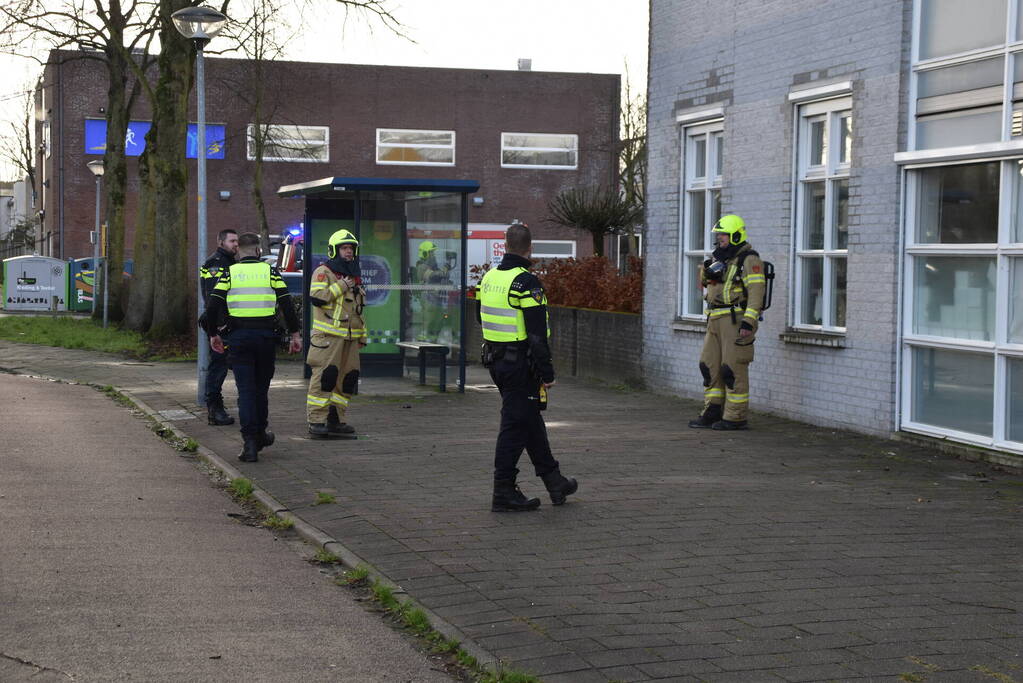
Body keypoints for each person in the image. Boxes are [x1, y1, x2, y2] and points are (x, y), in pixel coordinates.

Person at [477, 222, 577, 511]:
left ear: (505, 246)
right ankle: (503, 491)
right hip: (521, 364)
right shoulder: (526, 282)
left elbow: (479, 319)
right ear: (529, 248)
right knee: (514, 426)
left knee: (529, 419)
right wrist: (547, 374)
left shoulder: (488, 278)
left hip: (496, 361)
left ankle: (554, 481)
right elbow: (536, 335)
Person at [204, 233, 302, 462]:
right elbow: (287, 304)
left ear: (239, 251)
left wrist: (213, 334)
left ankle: (250, 442)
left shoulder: (229, 273)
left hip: (238, 340)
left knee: (245, 391)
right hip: (266, 339)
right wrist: (295, 334)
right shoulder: (270, 272)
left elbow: (212, 306)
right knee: (261, 389)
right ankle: (259, 433)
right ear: (258, 251)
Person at [688, 214, 766, 431]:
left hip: (735, 319)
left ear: (735, 235)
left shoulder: (749, 260)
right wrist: (706, 270)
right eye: (719, 235)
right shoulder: (719, 258)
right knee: (709, 365)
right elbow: (706, 285)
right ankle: (712, 410)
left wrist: (748, 322)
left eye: (724, 234)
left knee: (732, 369)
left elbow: (757, 292)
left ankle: (735, 416)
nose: (720, 238)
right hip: (714, 318)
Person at [306, 229, 366, 439]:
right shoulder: (324, 272)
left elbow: (357, 309)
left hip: (350, 339)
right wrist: (341, 285)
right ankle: (316, 421)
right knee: (325, 377)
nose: (349, 252)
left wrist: (362, 335)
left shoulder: (353, 276)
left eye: (351, 248)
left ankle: (336, 420)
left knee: (348, 379)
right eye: (344, 248)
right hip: (328, 339)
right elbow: (317, 297)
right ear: (334, 250)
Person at [199, 228, 239, 426]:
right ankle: (214, 409)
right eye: (232, 241)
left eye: (237, 242)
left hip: (230, 324)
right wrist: (220, 326)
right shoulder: (215, 263)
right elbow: (213, 299)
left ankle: (221, 407)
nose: (235, 245)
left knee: (229, 365)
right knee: (218, 367)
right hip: (221, 326)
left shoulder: (232, 263)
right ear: (220, 242)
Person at [414, 240, 451, 342]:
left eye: (433, 253)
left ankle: (433, 342)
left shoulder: (433, 267)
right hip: (428, 298)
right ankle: (424, 343)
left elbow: (441, 276)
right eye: (431, 252)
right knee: (428, 321)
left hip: (436, 298)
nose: (433, 255)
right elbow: (432, 276)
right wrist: (445, 269)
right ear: (425, 253)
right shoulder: (421, 266)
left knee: (437, 321)